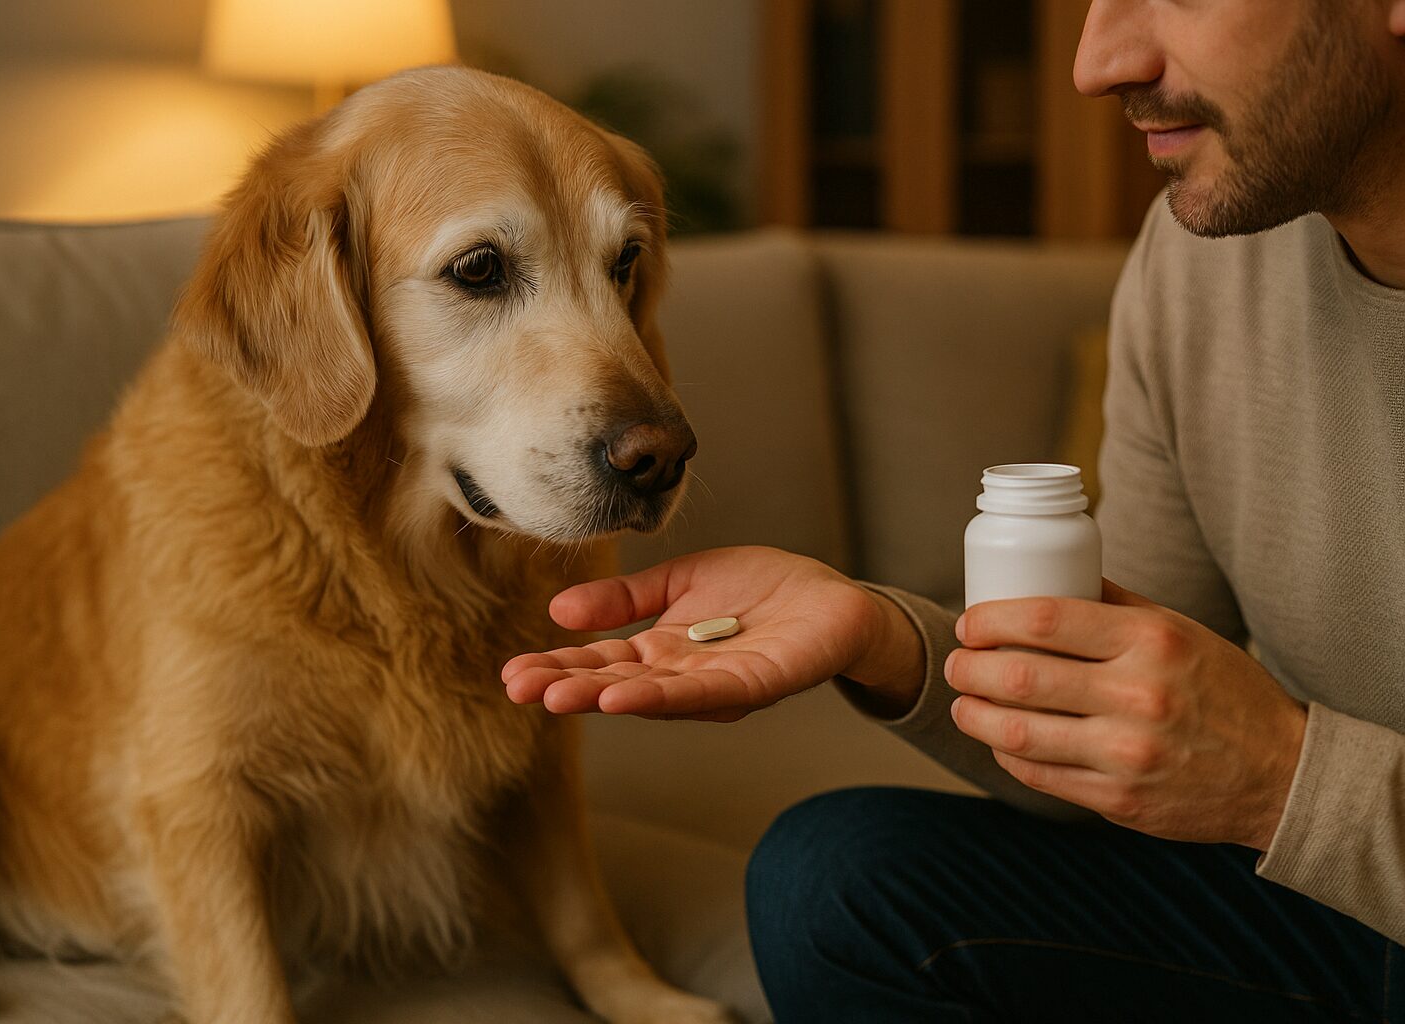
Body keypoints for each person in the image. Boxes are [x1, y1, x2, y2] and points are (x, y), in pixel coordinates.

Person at [502, 0, 1405, 1018]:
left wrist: (1282, 779)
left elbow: (1252, 778)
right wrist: (876, 635)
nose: (1098, 62)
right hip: (1329, 910)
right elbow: (1122, 731)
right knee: (834, 881)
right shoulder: (1200, 261)